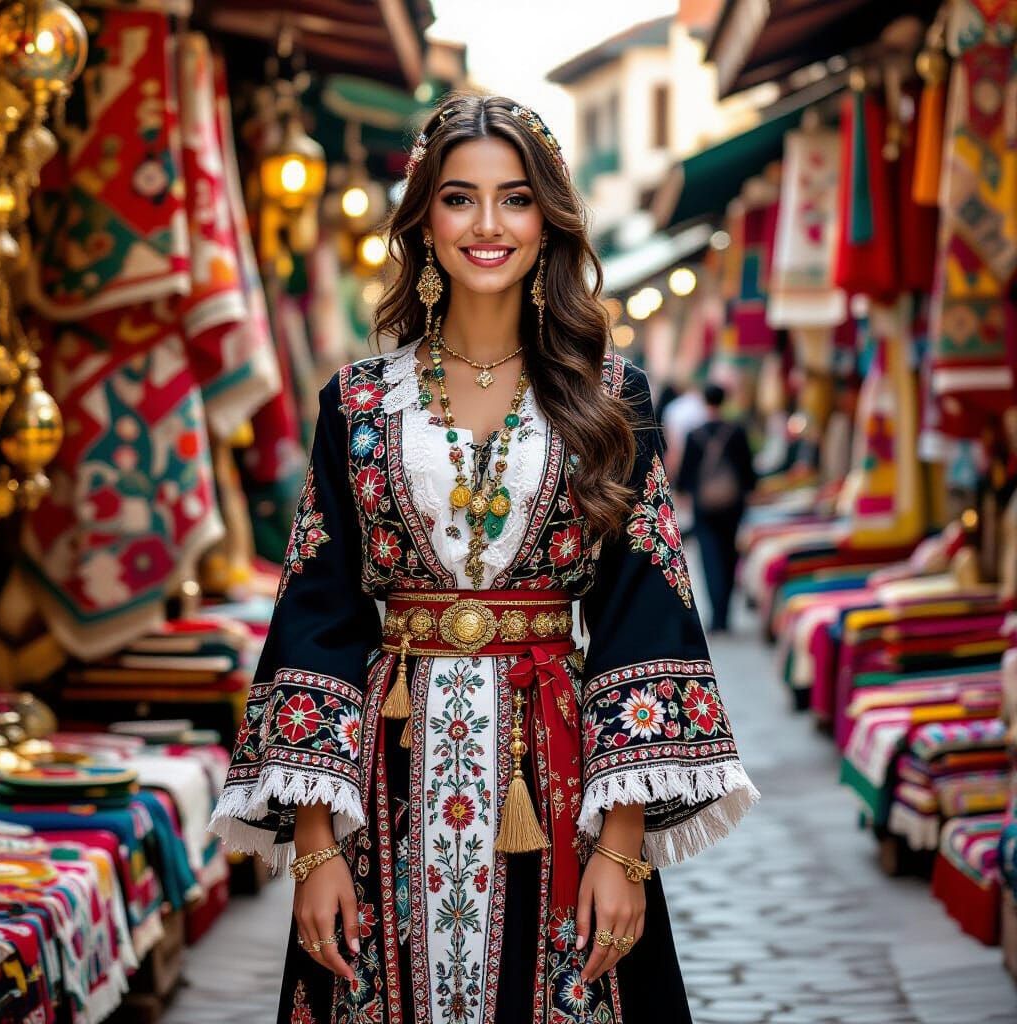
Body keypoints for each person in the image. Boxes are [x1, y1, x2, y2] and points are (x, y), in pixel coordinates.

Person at [208, 93, 757, 1024]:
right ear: (424, 218)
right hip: (386, 774)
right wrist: (314, 846)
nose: (489, 225)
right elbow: (318, 617)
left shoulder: (610, 402)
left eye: (516, 199)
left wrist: (622, 851)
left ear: (548, 221)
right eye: (460, 199)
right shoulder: (358, 404)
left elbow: (642, 612)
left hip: (557, 784)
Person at [676, 383, 757, 634]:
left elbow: (685, 475)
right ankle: (725, 613)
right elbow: (748, 472)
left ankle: (715, 617)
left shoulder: (694, 434)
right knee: (729, 556)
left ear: (704, 401)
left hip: (704, 506)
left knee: (709, 558)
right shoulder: (737, 432)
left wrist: (685, 495)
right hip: (732, 506)